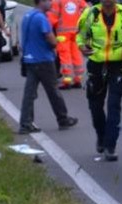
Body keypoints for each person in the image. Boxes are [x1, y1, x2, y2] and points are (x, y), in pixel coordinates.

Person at [76, 0, 122, 162]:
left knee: (114, 104)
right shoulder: (90, 14)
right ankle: (101, 135)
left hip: (119, 65)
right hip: (96, 65)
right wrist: (82, 46)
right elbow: (80, 36)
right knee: (95, 106)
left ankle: (110, 146)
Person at [19, 0, 79, 134]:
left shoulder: (28, 16)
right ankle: (63, 119)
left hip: (29, 59)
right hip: (43, 60)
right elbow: (50, 39)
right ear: (41, 2)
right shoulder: (41, 18)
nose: (51, 3)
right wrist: (56, 42)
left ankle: (25, 123)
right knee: (53, 91)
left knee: (29, 93)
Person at [47, 0, 88, 89]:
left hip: (63, 34)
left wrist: (47, 30)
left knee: (65, 55)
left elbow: (52, 18)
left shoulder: (57, 1)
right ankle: (78, 79)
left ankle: (67, 80)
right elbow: (87, 11)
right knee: (76, 54)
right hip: (76, 32)